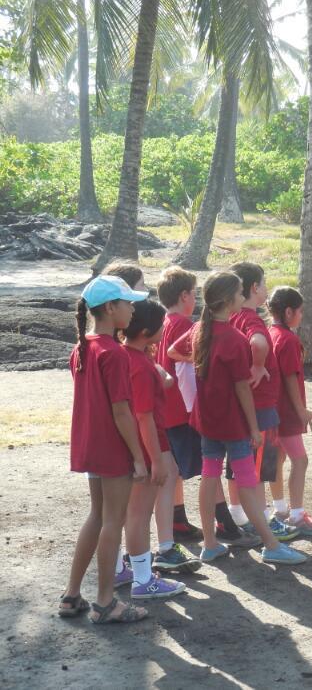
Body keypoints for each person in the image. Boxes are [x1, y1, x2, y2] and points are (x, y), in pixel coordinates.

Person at [187, 271, 307, 565]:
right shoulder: (234, 339)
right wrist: (254, 428)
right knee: (249, 483)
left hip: (209, 422)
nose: (244, 297)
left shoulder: (200, 332)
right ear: (229, 300)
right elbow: (242, 389)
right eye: (240, 293)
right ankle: (271, 545)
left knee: (210, 476)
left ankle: (210, 543)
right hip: (233, 424)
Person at [59, 275, 149, 624]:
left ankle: (71, 595)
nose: (133, 309)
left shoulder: (83, 346)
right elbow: (121, 411)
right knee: (113, 520)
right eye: (128, 303)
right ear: (111, 308)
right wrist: (138, 457)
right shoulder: (114, 353)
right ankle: (105, 602)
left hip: (91, 444)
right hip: (112, 447)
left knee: (97, 516)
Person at [122, 299, 192, 597]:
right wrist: (155, 459)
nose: (165, 329)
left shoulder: (127, 356)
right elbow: (144, 416)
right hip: (147, 444)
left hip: (137, 445)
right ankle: (143, 579)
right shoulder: (139, 365)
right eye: (161, 325)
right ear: (146, 332)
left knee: (129, 512)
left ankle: (126, 569)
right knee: (138, 514)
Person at [227, 262, 299, 543]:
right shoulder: (251, 319)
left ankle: (239, 515)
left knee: (240, 465)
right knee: (257, 471)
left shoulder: (229, 317)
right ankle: (264, 522)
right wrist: (257, 366)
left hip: (240, 406)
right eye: (264, 283)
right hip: (259, 407)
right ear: (254, 287)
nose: (266, 289)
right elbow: (258, 344)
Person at [154, 267, 212, 545]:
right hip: (181, 409)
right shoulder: (183, 325)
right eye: (194, 293)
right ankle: (221, 522)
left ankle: (178, 521)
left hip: (167, 408)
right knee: (205, 466)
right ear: (184, 295)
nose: (196, 299)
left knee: (175, 471)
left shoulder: (165, 322)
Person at [267, 286, 312, 536]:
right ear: (289, 312)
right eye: (300, 311)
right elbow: (290, 377)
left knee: (278, 459)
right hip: (287, 412)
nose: (302, 316)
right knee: (300, 461)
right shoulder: (289, 340)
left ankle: (281, 509)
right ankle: (297, 515)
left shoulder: (269, 333)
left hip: (272, 411)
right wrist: (301, 410)